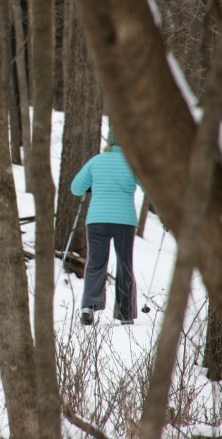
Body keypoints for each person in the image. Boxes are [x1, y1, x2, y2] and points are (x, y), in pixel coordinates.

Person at [71, 127, 140, 326]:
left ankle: (88, 306)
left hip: (97, 220)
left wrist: (92, 186)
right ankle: (125, 313)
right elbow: (150, 190)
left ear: (108, 142)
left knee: (96, 262)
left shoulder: (96, 161)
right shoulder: (133, 163)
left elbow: (76, 189)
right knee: (125, 263)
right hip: (125, 221)